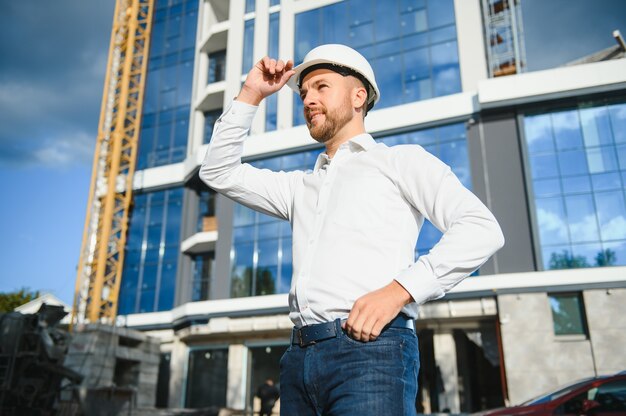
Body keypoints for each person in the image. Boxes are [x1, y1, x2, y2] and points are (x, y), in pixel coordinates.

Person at [200, 44, 504, 416]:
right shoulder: (299, 188)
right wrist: (250, 94)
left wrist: (400, 291)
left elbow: (481, 228)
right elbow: (218, 172)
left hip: (372, 352)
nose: (308, 99)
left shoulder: (400, 162)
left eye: (321, 87)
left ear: (358, 95)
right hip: (298, 360)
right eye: (304, 92)